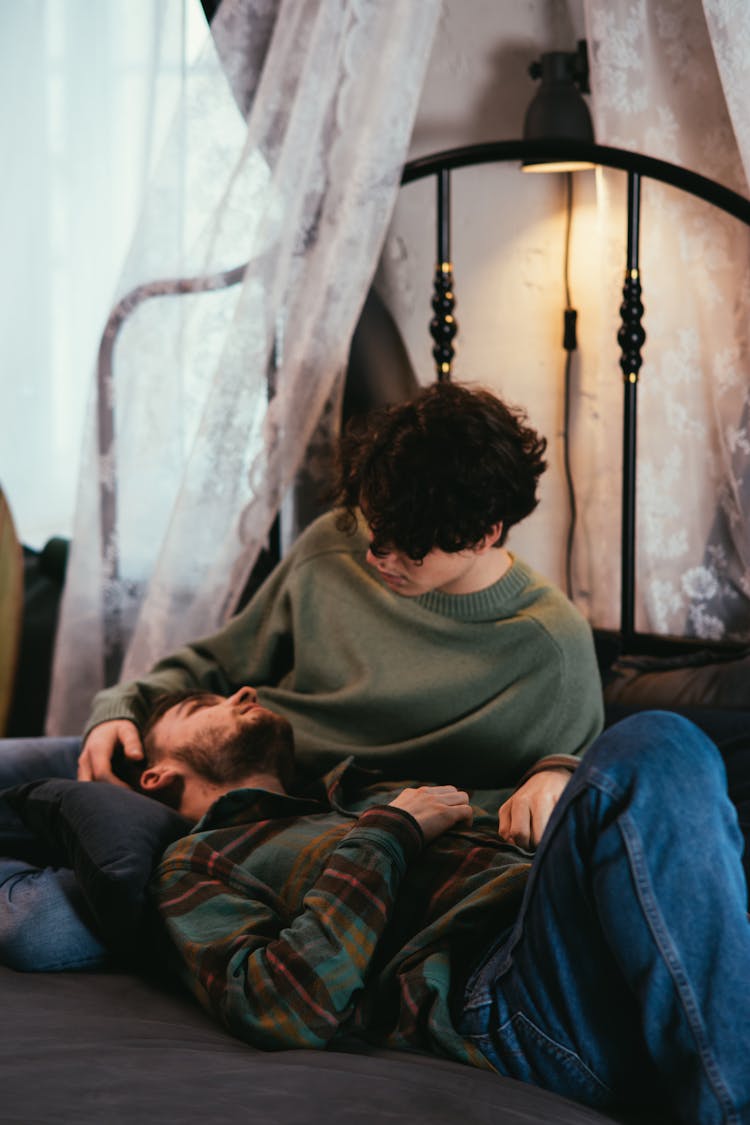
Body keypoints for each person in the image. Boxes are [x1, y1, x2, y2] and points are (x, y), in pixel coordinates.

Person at [0, 381, 604, 969]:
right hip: (208, 757)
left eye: (406, 547)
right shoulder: (334, 545)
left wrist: (555, 771)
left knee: (41, 928)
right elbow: (212, 662)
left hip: (276, 831)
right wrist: (120, 710)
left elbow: (570, 785)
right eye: (372, 527)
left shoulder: (550, 647)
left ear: (486, 532)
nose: (375, 556)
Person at [143, 687, 750, 1125]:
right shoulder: (198, 861)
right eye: (201, 707)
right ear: (156, 776)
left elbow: (605, 807)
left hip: (624, 932)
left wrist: (555, 772)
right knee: (657, 738)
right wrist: (389, 833)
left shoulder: (359, 791)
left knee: (664, 750)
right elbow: (283, 1009)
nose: (243, 691)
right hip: (508, 992)